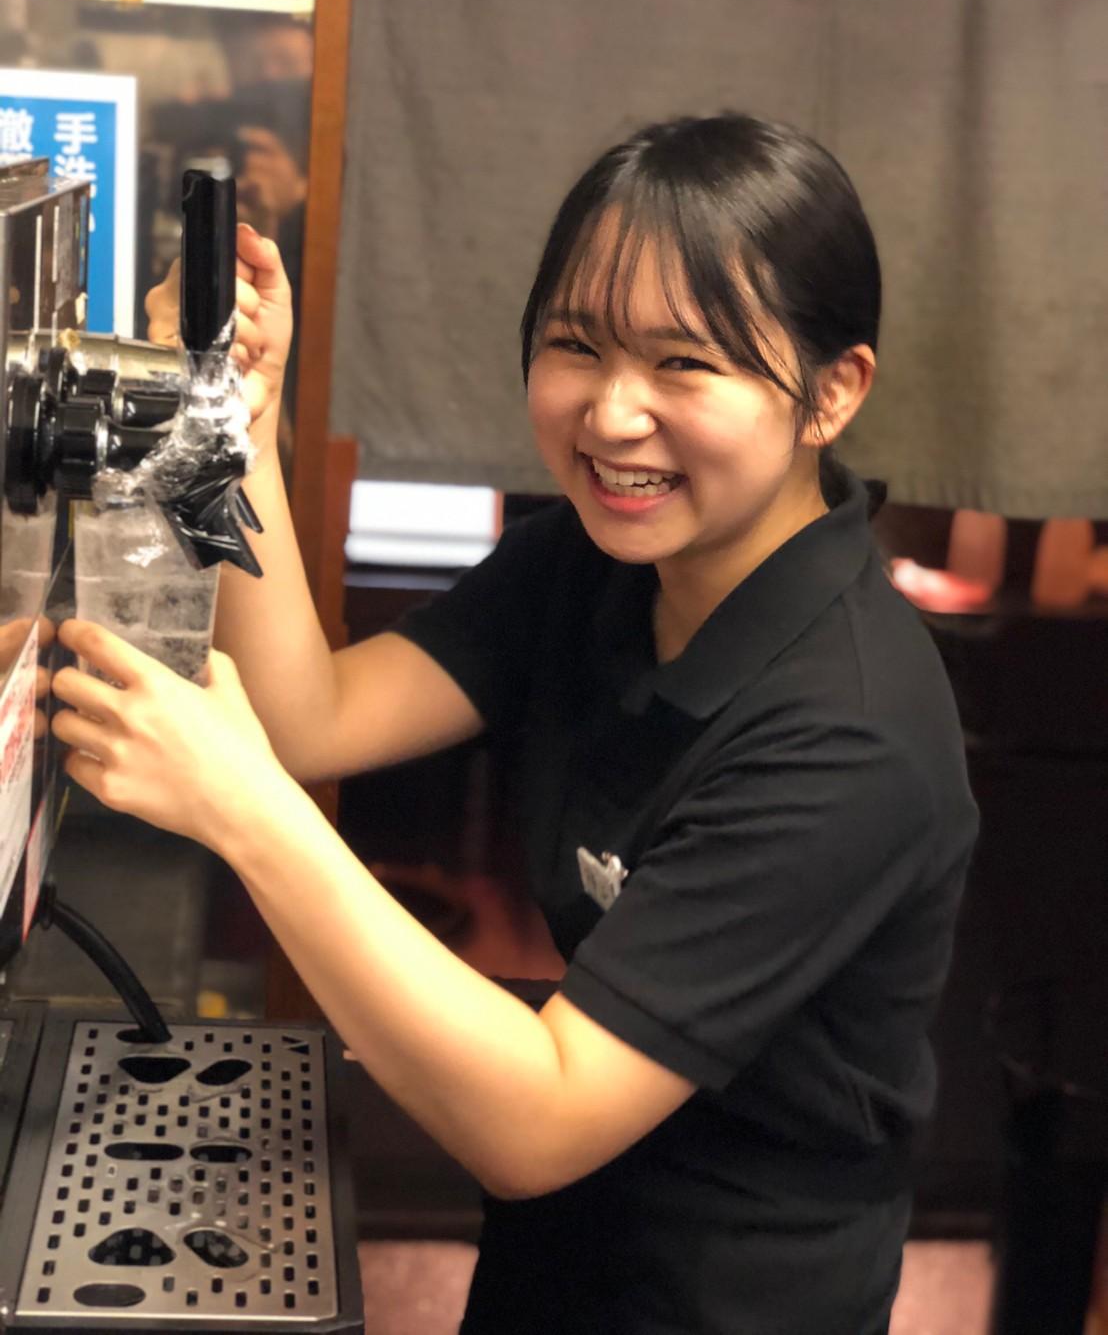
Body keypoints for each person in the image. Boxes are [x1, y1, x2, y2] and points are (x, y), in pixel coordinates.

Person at [55, 113, 979, 1334]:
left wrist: (247, 814)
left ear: (830, 392)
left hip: (728, 1293)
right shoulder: (598, 562)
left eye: (684, 363)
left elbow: (537, 1120)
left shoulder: (848, 733)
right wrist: (240, 423)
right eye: (576, 345)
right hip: (564, 1242)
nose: (612, 414)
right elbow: (310, 715)